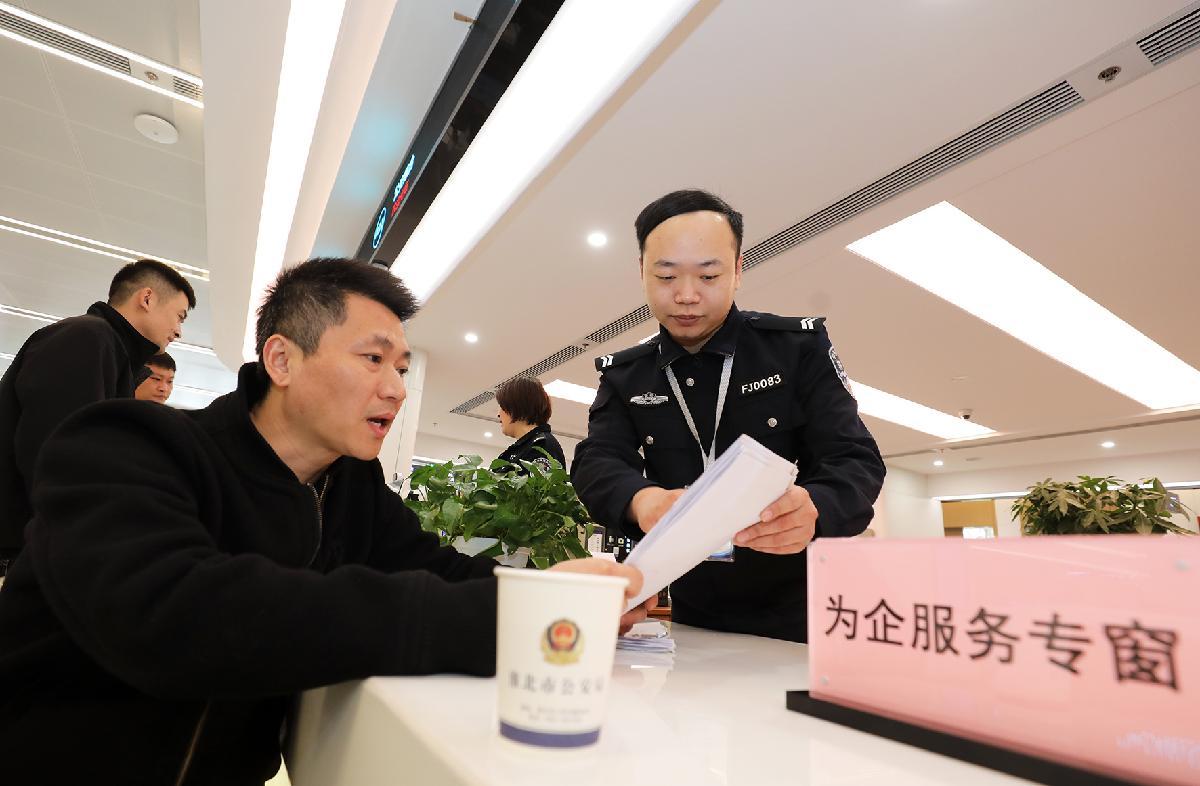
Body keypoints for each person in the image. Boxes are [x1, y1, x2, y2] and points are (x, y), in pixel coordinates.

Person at [0, 258, 648, 785]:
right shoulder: (125, 445)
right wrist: (513, 616)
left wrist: (557, 596)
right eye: (373, 359)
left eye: (401, 368)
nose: (396, 388)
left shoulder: (349, 487)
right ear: (282, 361)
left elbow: (440, 570)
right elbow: (177, 617)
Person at [571, 189, 885, 643]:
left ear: (738, 270)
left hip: (802, 613)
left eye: (708, 275)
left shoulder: (796, 349)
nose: (686, 295)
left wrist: (816, 508)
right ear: (641, 272)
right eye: (666, 276)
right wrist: (644, 501)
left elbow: (855, 459)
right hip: (693, 616)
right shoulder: (626, 375)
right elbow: (597, 459)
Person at [0, 259, 195, 573]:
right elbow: (55, 455)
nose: (179, 331)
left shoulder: (113, 356)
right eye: (179, 316)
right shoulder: (86, 338)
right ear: (147, 298)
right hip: (29, 549)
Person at [495, 376, 567, 471]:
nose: (498, 414)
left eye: (502, 407)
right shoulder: (521, 448)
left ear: (516, 406)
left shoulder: (541, 446)